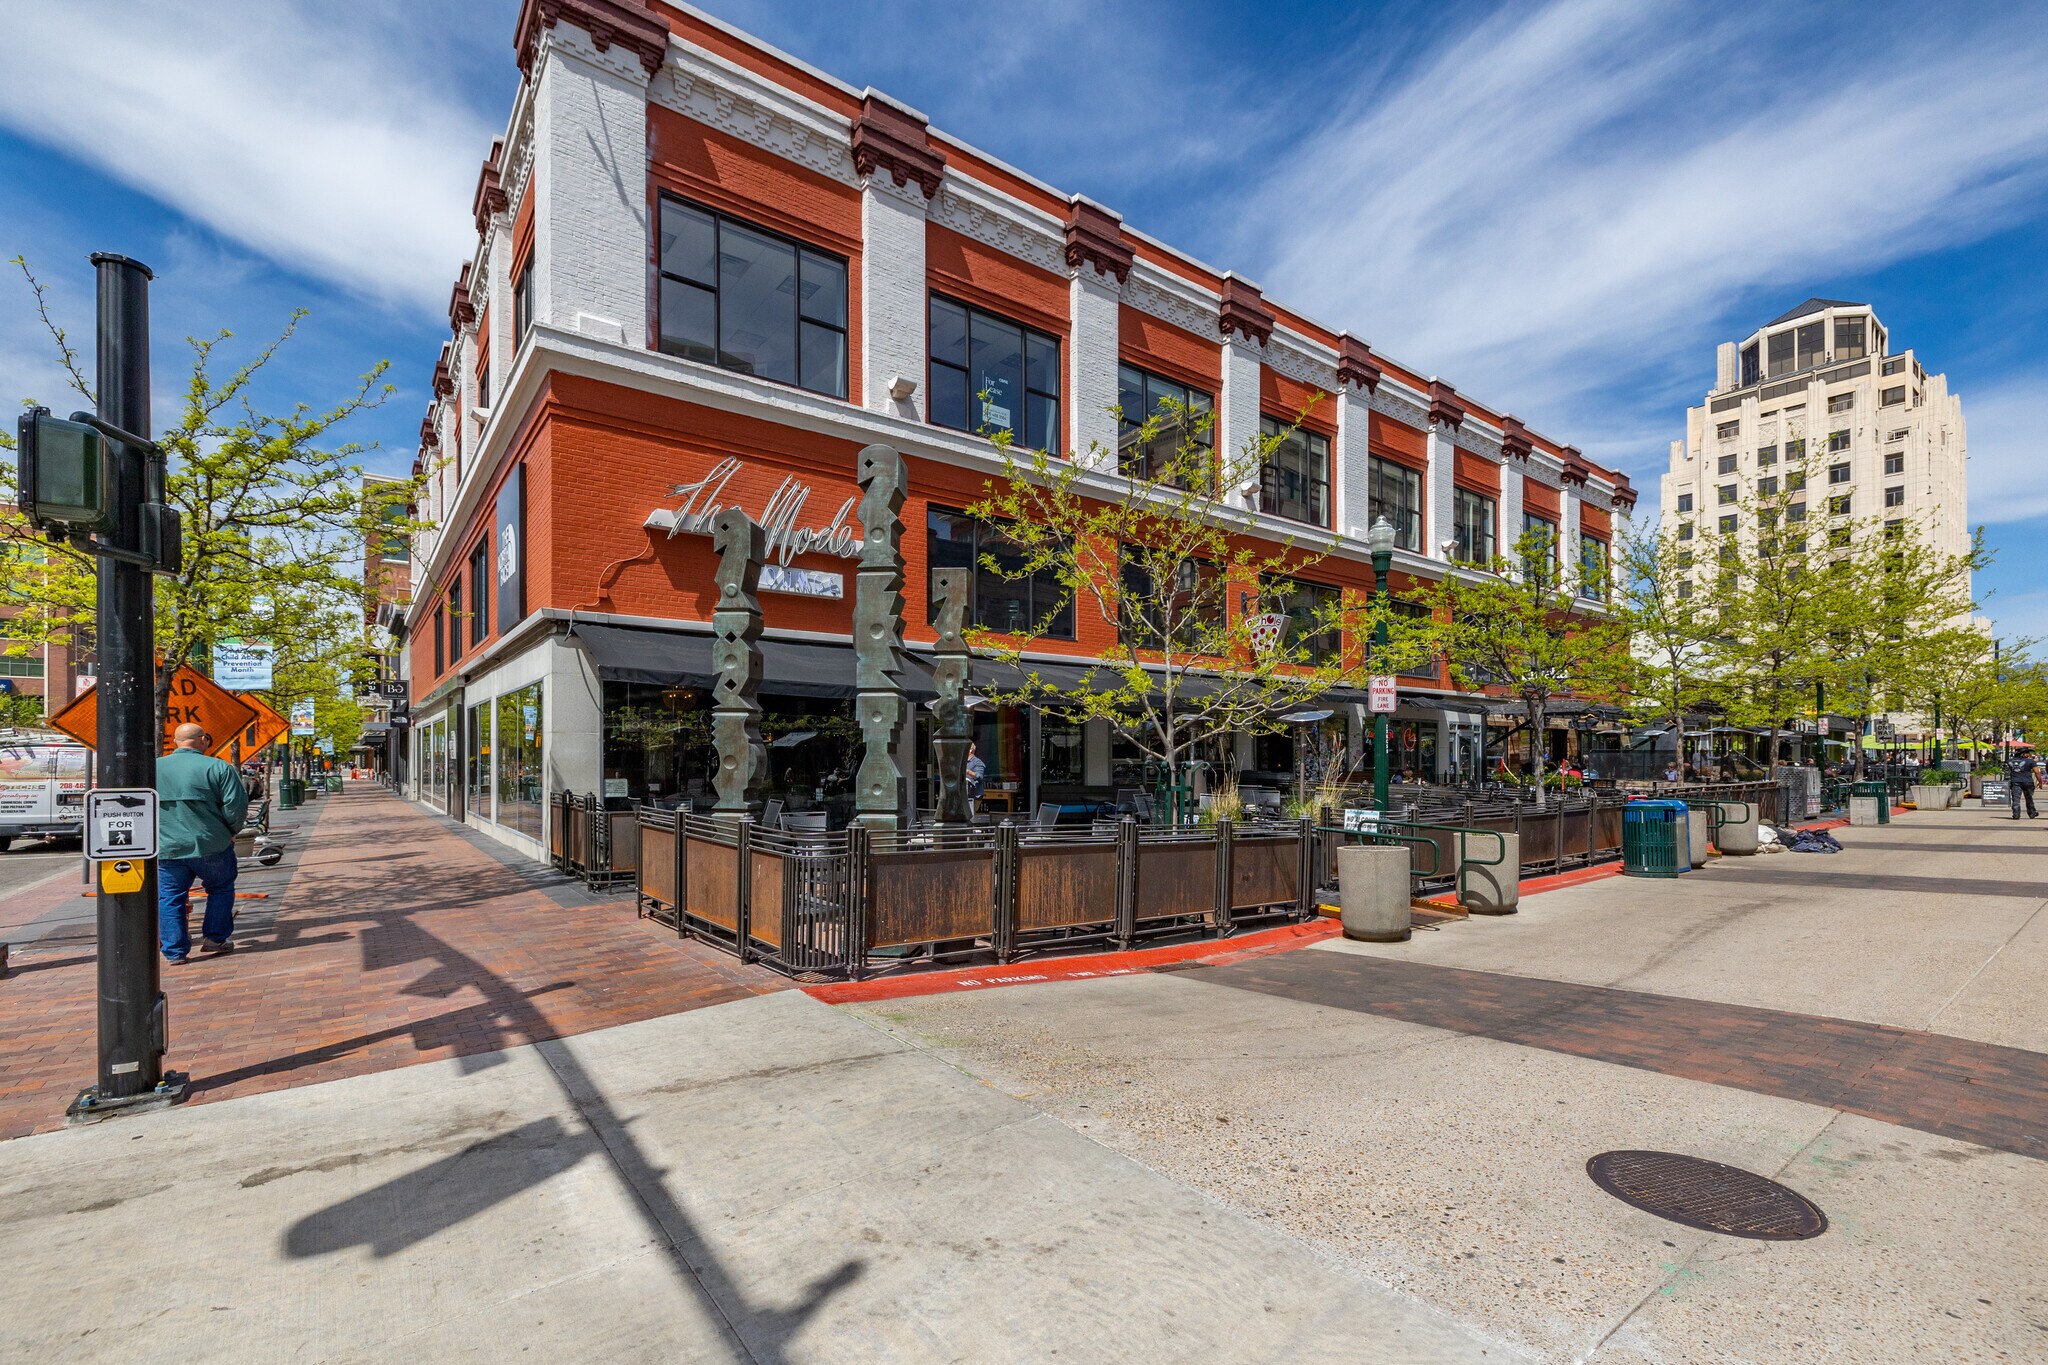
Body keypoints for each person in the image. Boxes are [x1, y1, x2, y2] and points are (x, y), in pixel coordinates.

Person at [157, 722, 251, 963]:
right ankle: (215, 939)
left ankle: (175, 951)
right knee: (220, 889)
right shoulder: (219, 767)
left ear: (176, 742)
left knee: (170, 897)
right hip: (212, 843)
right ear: (202, 740)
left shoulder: (153, 768)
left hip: (167, 846)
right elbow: (236, 807)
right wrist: (232, 830)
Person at [2005, 745, 2039, 821]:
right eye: (2027, 753)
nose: (2028, 754)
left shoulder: (2009, 761)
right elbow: (2037, 772)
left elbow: (2007, 771)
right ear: (2023, 754)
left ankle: (2016, 814)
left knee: (2016, 799)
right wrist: (2040, 781)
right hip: (2028, 782)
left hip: (2015, 781)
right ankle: (2032, 813)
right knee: (2029, 798)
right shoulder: (2031, 761)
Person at [964, 740, 986, 812]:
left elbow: (980, 777)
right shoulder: (962, 761)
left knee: (970, 815)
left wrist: (968, 772)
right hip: (963, 794)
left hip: (974, 795)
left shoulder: (977, 762)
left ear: (971, 750)